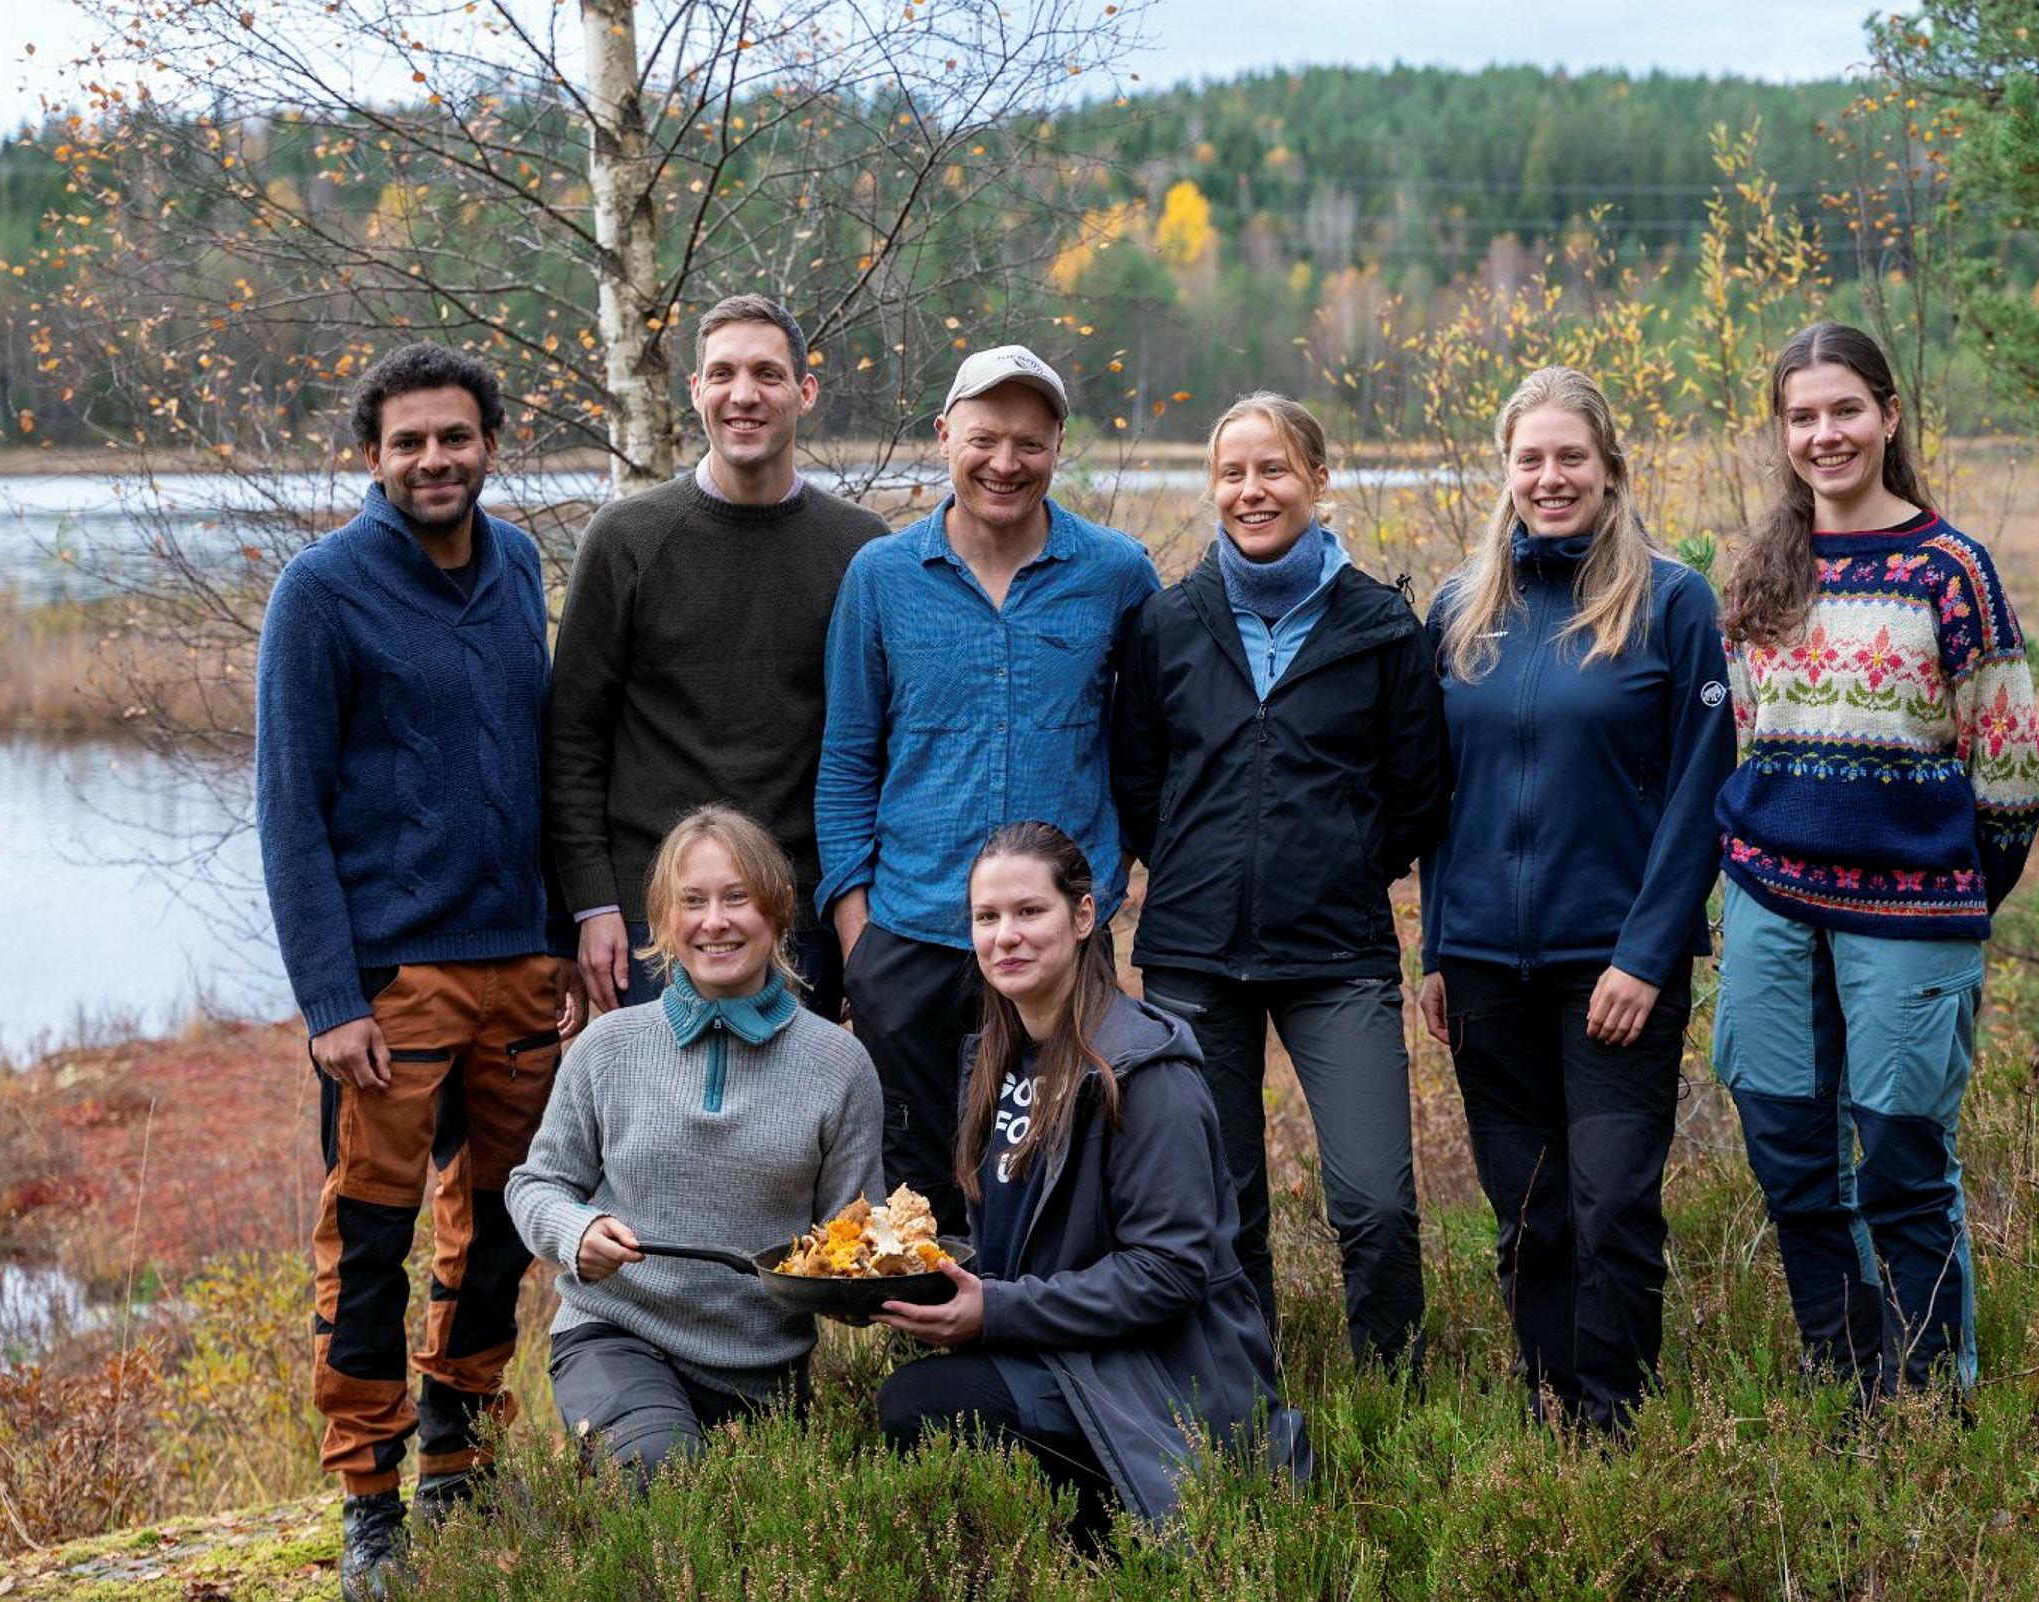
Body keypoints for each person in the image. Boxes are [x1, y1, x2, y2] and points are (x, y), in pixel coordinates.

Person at [254, 341, 583, 1600]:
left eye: (456, 438)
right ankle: (369, 1492)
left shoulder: (517, 566)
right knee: (371, 1241)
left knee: (499, 1227)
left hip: (518, 965)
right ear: (372, 457)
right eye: (409, 443)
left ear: (491, 444)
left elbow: (540, 762)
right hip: (392, 982)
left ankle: (457, 1439)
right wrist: (330, 1001)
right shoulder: (322, 591)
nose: (435, 460)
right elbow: (289, 814)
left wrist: (559, 930)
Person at [1713, 322, 2039, 1403]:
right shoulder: (1765, 571)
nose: (1826, 435)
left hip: (1909, 919)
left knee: (1903, 1162)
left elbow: (2011, 766)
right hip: (1769, 900)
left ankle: (1925, 1400)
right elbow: (1753, 737)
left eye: (1845, 410)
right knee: (1788, 1153)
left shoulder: (1950, 571)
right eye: (1803, 417)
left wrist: (1950, 888)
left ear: (1889, 416)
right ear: (1782, 434)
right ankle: (1842, 1372)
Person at [1418, 367, 1736, 1431]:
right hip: (1485, 975)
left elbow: (1703, 793)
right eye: (1530, 459)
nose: (1550, 478)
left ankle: (1616, 1421)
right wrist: (1435, 949)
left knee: (1611, 1209)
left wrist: (1648, 957)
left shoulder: (1672, 601)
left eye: (1570, 459)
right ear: (1505, 472)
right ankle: (1548, 1410)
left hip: (1613, 971)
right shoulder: (1461, 611)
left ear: (1609, 470)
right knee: (1531, 1217)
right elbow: (1438, 798)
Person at [1110, 391, 1445, 1371]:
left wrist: (1334, 863)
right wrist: (1191, 863)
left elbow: (1416, 793)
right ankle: (1239, 1398)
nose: (1251, 491)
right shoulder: (1168, 623)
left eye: (1273, 470)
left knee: (1375, 1200)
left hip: (1337, 951)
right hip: (1192, 955)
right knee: (1221, 1203)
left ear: (1318, 480)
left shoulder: (1383, 627)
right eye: (1231, 473)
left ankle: (1394, 1398)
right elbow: (1138, 779)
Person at [873, 821, 1305, 1550]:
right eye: (987, 918)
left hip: (1160, 1377)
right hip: (1066, 1350)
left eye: (1028, 912)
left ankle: (1113, 1541)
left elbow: (1167, 1273)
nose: (1005, 936)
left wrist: (997, 1313)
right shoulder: (997, 1059)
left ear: (1082, 917)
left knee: (921, 1404)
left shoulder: (1144, 1070)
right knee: (918, 1392)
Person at [817, 346, 1160, 1236]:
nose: (1005, 463)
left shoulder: (1118, 574)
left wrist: (1109, 889)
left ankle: (1048, 1360)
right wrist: (861, 941)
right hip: (914, 932)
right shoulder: (882, 578)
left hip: (1057, 938)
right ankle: (925, 1364)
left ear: (1057, 447)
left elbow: (1147, 746)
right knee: (921, 1186)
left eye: (1029, 444)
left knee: (1061, 1171)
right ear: (944, 438)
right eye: (984, 439)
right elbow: (848, 760)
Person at [506, 805, 883, 1484]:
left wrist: (866, 1285)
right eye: (693, 902)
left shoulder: (840, 1065)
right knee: (660, 1470)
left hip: (764, 1372)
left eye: (737, 897)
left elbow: (853, 1236)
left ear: (777, 911)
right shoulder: (607, 1047)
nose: (715, 921)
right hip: (616, 1333)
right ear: (664, 921)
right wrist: (576, 1228)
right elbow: (534, 1186)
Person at [548, 293, 886, 1020]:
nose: (744, 395)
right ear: (695, 390)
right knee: (660, 1131)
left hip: (804, 914)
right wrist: (590, 903)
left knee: (796, 1131)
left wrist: (861, 917)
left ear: (804, 392)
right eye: (723, 373)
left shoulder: (861, 548)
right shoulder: (626, 538)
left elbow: (877, 747)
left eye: (767, 374)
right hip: (657, 919)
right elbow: (573, 737)